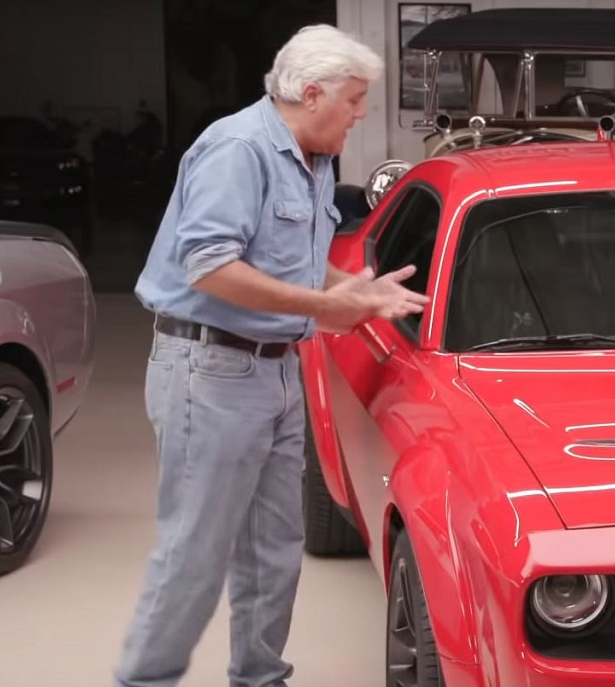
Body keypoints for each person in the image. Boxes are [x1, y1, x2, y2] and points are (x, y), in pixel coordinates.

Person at [115, 25, 427, 687]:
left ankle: (260, 678)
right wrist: (326, 309)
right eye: (354, 101)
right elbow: (208, 266)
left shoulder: (313, 157)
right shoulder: (238, 150)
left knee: (275, 549)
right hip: (211, 371)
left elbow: (291, 266)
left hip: (277, 370)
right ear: (311, 94)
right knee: (195, 552)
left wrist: (353, 289)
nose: (361, 114)